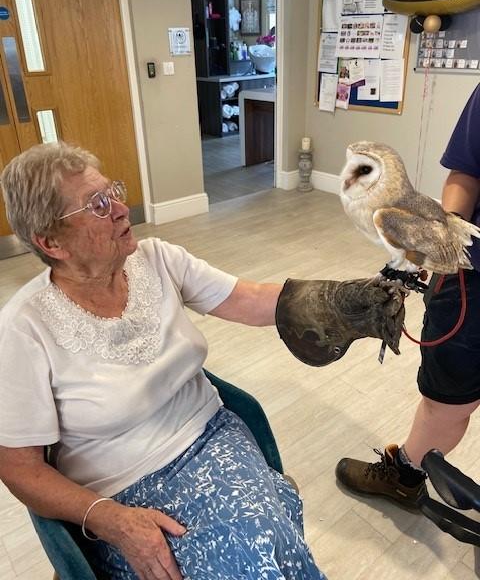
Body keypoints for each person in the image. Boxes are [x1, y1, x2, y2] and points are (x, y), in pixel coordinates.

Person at [0, 142, 401, 580]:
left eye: (112, 191)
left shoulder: (156, 259)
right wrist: (110, 519)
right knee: (263, 547)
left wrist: (344, 299)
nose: (120, 208)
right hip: (118, 493)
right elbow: (19, 468)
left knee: (260, 550)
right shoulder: (24, 327)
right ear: (51, 241)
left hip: (208, 436)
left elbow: (247, 300)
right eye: (97, 204)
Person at [336, 83, 480, 511]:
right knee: (447, 399)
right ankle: (406, 476)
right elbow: (467, 170)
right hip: (473, 275)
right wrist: (439, 241)